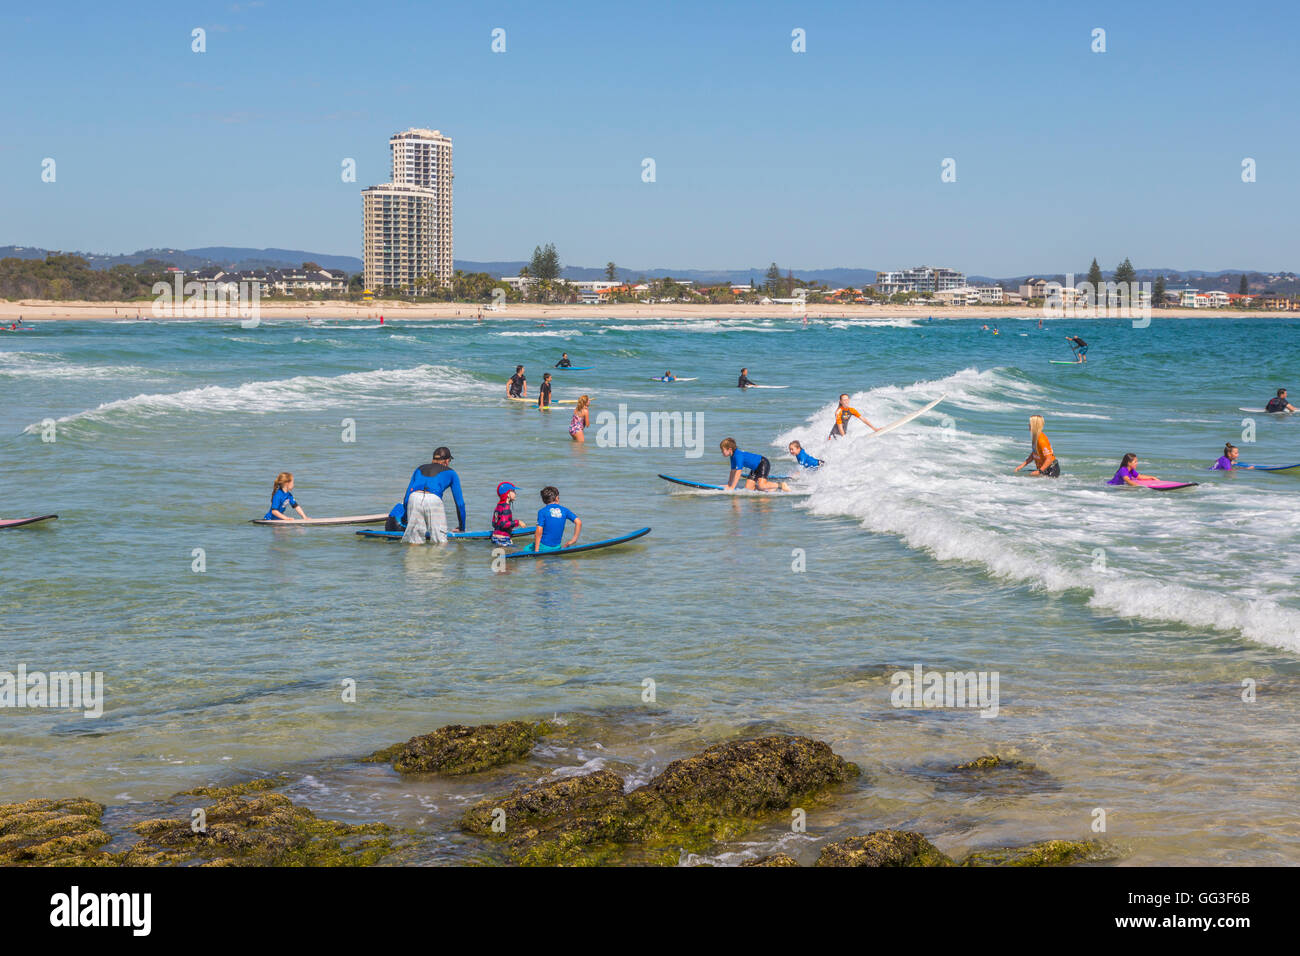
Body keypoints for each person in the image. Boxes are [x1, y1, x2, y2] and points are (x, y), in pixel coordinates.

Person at [398, 446, 466, 544]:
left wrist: (405, 520)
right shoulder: (452, 473)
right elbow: (460, 504)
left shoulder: (419, 469)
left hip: (414, 497)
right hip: (434, 499)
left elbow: (406, 498)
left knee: (414, 543)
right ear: (447, 461)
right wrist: (462, 528)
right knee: (440, 542)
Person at [719, 438, 789, 492]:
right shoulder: (732, 456)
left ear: (729, 449)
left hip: (762, 463)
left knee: (762, 485)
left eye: (723, 450)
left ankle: (781, 485)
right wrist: (729, 484)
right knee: (749, 488)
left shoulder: (738, 455)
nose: (722, 452)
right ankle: (771, 488)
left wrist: (732, 487)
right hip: (755, 468)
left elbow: (738, 472)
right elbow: (733, 471)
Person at [531, 486, 581, 552]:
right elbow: (578, 522)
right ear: (557, 498)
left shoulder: (542, 511)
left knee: (526, 548)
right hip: (557, 547)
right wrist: (573, 540)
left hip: (543, 547)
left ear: (543, 500)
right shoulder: (564, 510)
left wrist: (536, 550)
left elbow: (539, 530)